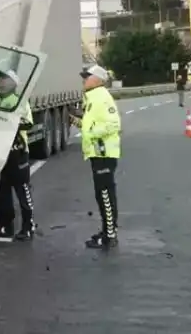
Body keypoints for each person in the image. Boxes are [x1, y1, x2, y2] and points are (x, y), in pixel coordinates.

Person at [71, 65, 122, 249]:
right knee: (101, 195)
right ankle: (107, 231)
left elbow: (113, 125)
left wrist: (91, 133)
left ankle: (110, 235)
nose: (84, 79)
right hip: (97, 153)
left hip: (104, 153)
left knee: (105, 195)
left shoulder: (102, 97)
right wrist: (74, 121)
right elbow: (88, 125)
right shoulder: (92, 98)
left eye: (87, 76)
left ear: (98, 80)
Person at [0, 69, 36, 241]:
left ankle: (28, 226)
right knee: (2, 191)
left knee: (22, 190)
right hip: (1, 152)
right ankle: (5, 226)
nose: (0, 81)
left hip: (17, 152)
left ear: (12, 82)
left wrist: (8, 120)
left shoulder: (19, 101)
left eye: (3, 78)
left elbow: (28, 123)